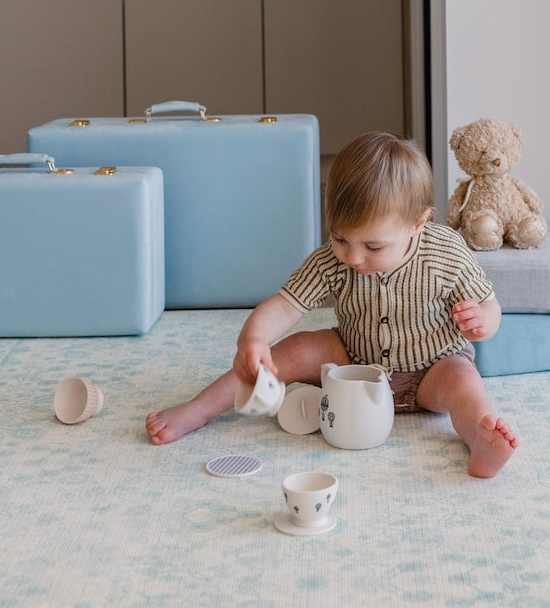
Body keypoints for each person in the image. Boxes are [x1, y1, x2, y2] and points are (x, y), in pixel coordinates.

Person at [146, 131, 519, 478]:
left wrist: (483, 321)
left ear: (417, 223)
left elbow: (491, 305)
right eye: (341, 238)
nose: (353, 257)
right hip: (354, 363)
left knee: (464, 382)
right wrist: (253, 339)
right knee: (297, 347)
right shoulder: (332, 260)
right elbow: (285, 305)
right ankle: (199, 409)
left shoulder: (446, 252)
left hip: (432, 370)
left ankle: (481, 439)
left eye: (373, 246)